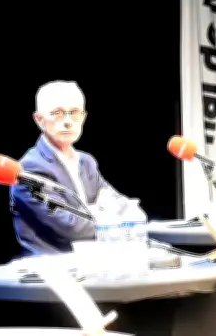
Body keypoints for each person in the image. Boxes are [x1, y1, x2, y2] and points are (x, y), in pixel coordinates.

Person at [11, 80, 135, 256]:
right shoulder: (29, 169)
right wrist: (104, 214)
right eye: (58, 113)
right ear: (39, 120)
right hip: (49, 267)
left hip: (94, 260)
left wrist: (98, 212)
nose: (68, 122)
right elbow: (72, 228)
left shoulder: (86, 161)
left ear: (84, 117)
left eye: (75, 113)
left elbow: (124, 205)